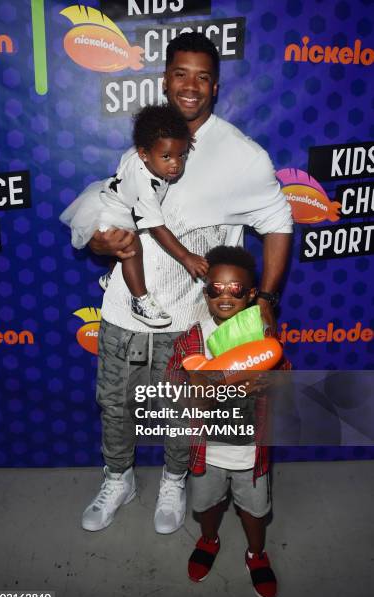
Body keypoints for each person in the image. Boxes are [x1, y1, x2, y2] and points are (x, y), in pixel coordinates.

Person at [80, 32, 293, 535]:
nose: (190, 86)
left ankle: (175, 480)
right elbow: (110, 221)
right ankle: (119, 478)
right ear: (165, 79)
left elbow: (280, 221)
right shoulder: (145, 147)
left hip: (189, 319)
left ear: (215, 87)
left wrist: (265, 297)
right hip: (123, 311)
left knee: (180, 411)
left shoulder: (243, 157)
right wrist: (100, 244)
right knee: (114, 405)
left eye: (201, 77)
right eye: (180, 74)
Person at [166, 245, 277, 597]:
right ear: (205, 290)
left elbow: (288, 384)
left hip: (251, 454)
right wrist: (207, 385)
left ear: (252, 294)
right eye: (216, 288)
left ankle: (256, 554)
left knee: (255, 511)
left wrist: (267, 383)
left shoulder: (264, 337)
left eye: (237, 290)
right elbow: (173, 384)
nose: (225, 296)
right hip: (207, 451)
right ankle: (209, 539)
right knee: (207, 505)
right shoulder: (193, 339)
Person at [60, 104, 208, 327]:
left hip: (111, 198)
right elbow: (158, 230)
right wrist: (186, 256)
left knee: (128, 238)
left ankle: (112, 276)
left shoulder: (140, 153)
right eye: (166, 156)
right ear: (144, 154)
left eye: (182, 154)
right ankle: (140, 300)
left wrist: (178, 142)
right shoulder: (144, 186)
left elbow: (162, 143)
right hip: (109, 212)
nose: (176, 164)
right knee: (131, 247)